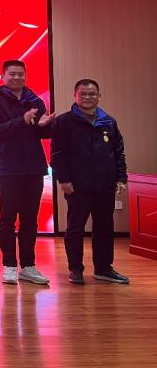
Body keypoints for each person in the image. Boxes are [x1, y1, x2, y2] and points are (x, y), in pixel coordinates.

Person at [51, 78, 129, 285]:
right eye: (83, 94)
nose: (87, 97)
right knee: (75, 228)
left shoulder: (108, 122)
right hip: (77, 186)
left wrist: (121, 178)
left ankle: (103, 269)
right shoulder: (64, 122)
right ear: (75, 96)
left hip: (105, 185)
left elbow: (118, 152)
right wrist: (64, 179)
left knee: (104, 228)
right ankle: (75, 269)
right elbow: (57, 154)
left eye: (92, 94)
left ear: (99, 96)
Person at [0, 59, 54, 285]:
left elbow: (40, 134)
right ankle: (9, 265)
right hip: (8, 169)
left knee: (30, 219)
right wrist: (21, 121)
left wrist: (45, 126)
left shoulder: (35, 101)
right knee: (7, 218)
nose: (17, 78)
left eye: (20, 74)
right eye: (12, 74)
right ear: (2, 77)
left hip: (33, 168)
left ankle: (28, 266)